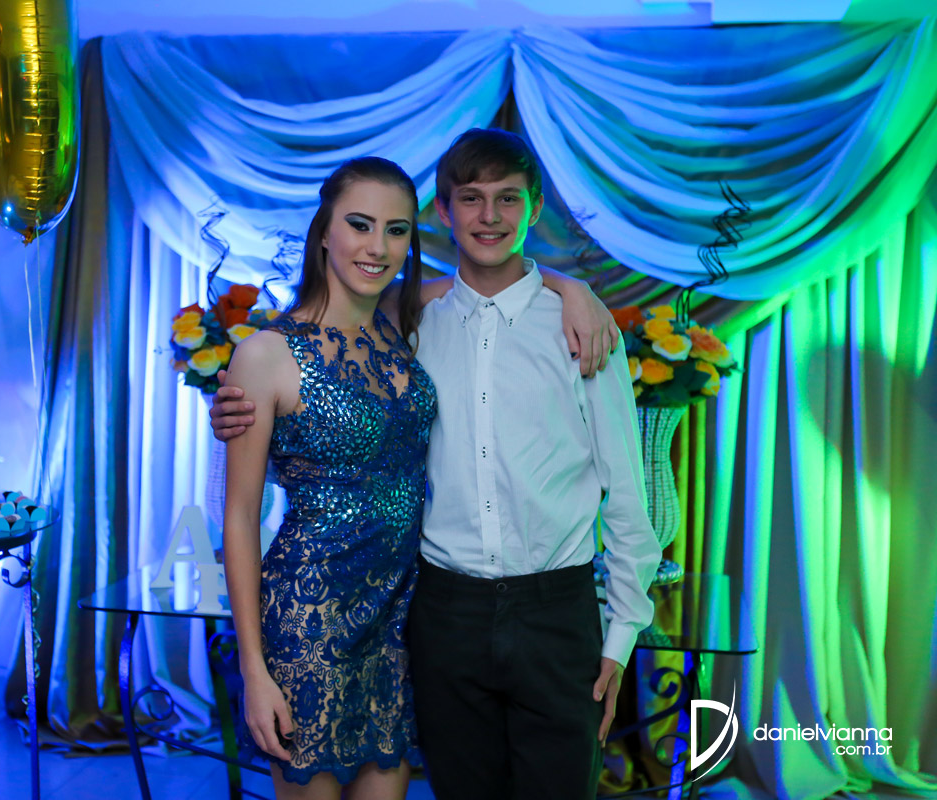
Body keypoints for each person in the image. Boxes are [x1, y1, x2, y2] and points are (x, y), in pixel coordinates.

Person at [215, 128, 660, 800]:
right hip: (383, 613)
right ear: (444, 212)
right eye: (471, 198)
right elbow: (257, 489)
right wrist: (235, 410)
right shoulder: (374, 327)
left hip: (486, 614)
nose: (489, 216)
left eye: (394, 230)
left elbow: (626, 490)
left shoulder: (538, 325)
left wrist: (572, 288)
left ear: (534, 208)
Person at [223, 157, 435, 800]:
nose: (378, 247)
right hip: (308, 622)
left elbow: (492, 280)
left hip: (399, 623)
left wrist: (572, 289)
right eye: (360, 224)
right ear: (323, 232)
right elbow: (239, 518)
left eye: (396, 230)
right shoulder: (265, 354)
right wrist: (254, 669)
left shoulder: (405, 327)